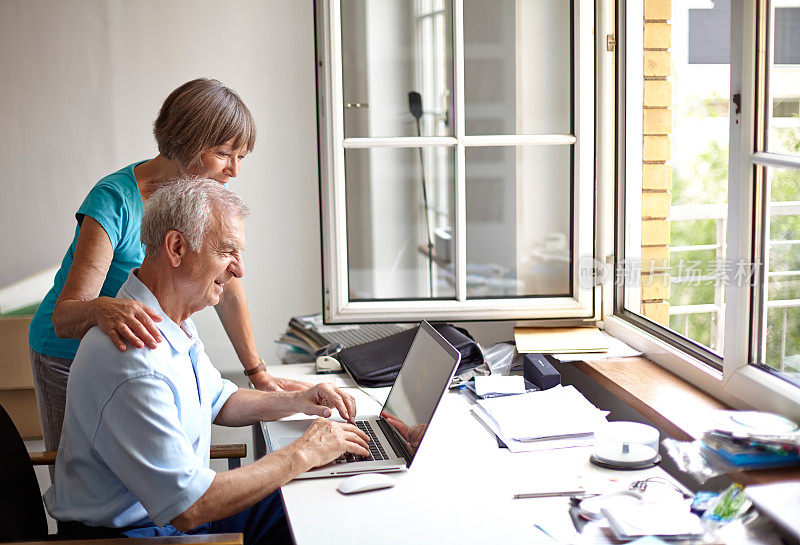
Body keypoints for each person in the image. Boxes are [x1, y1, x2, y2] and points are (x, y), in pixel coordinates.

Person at [45, 179, 370, 542]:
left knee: (310, 502)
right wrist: (304, 452)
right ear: (177, 247)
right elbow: (190, 507)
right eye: (228, 251)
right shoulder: (134, 359)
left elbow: (217, 398)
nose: (239, 270)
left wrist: (296, 401)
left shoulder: (170, 319)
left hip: (172, 516)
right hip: (140, 534)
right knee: (308, 512)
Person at [28, 78, 310, 458]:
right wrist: (104, 308)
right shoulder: (114, 200)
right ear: (188, 140)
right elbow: (66, 316)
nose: (234, 171)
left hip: (138, 350)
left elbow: (226, 287)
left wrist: (257, 373)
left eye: (241, 157)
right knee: (83, 473)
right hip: (66, 352)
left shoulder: (208, 198)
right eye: (225, 154)